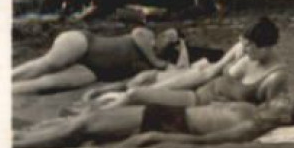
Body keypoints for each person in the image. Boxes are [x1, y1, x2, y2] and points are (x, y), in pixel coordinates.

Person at [15, 92, 294, 148]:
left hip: (165, 123)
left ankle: (18, 145)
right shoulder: (252, 109)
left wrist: (158, 139)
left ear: (288, 117)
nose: (279, 98)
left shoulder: (253, 127)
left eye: (285, 102)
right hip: (164, 112)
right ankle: (24, 135)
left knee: (85, 125)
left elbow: (206, 141)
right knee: (87, 121)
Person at [101, 17, 289, 109]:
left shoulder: (275, 76)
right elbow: (210, 73)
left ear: (265, 48)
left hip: (202, 102)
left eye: (248, 47)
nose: (243, 49)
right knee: (145, 81)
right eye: (243, 44)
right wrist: (163, 87)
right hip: (200, 84)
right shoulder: (243, 50)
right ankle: (108, 100)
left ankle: (107, 107)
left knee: (136, 95)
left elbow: (266, 111)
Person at [13, 27, 184, 95]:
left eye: (171, 38)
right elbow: (137, 34)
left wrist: (183, 49)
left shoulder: (157, 66)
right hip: (86, 44)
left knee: (48, 84)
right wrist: (155, 61)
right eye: (167, 33)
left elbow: (181, 71)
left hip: (95, 72)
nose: (166, 37)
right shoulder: (148, 37)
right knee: (48, 64)